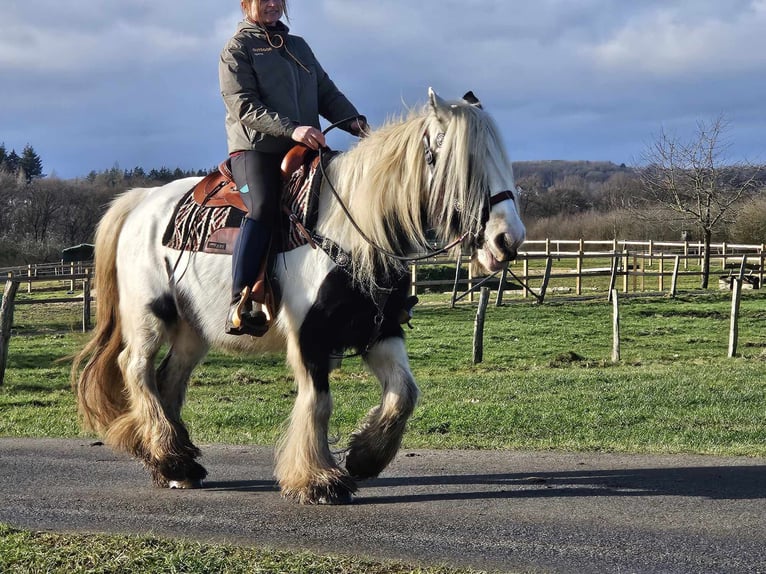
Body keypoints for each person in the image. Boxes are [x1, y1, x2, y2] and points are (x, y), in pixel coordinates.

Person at [219, 0, 368, 336]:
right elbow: (243, 104)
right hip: (256, 149)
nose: (272, 4)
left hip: (305, 147)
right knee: (263, 207)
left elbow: (326, 93)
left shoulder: (297, 46)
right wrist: (293, 128)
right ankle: (239, 300)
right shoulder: (237, 48)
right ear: (247, 4)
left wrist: (357, 124)